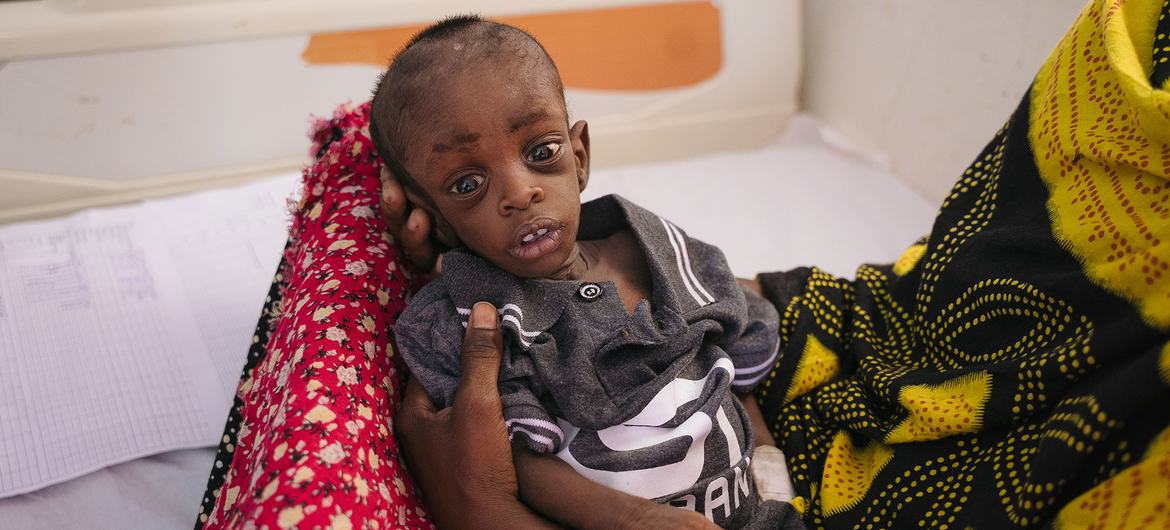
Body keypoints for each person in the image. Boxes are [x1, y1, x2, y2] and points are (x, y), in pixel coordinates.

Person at [370, 16, 802, 529]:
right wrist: (632, 521)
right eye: (467, 184)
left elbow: (733, 370)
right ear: (436, 217)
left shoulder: (665, 252)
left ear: (580, 157)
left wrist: (774, 474)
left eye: (541, 152)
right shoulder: (477, 321)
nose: (518, 193)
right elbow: (515, 463)